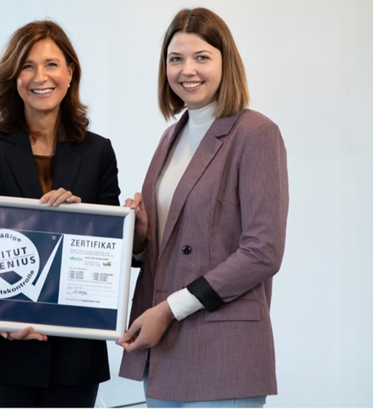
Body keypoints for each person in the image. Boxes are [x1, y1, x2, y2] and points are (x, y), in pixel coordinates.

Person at [117, 7, 288, 408]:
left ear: (226, 62)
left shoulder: (256, 133)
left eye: (202, 57)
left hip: (221, 349)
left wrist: (170, 310)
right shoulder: (170, 137)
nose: (187, 70)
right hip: (163, 349)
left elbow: (263, 251)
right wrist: (142, 237)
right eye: (175, 59)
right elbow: (170, 245)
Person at [0, 20, 121, 407]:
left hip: (74, 361)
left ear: (69, 72)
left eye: (51, 64)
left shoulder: (98, 152)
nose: (40, 77)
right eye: (27, 66)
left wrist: (86, 220)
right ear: (13, 77)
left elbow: (113, 252)